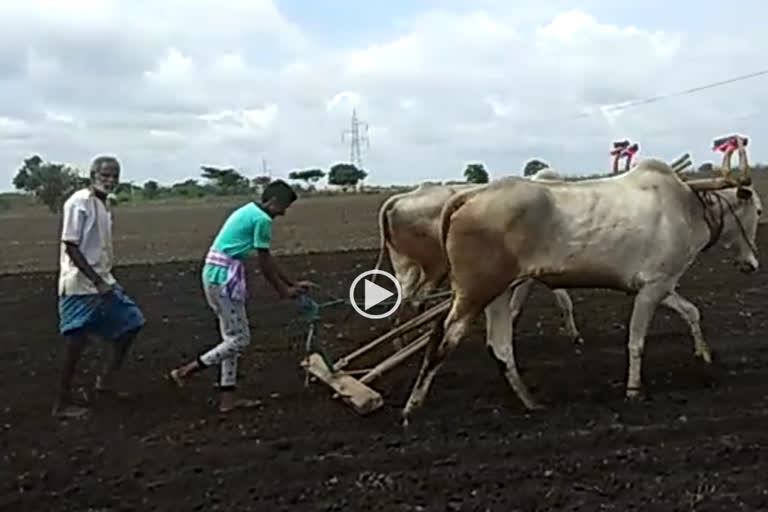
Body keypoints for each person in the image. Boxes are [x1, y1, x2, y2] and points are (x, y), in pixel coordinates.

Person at [169, 179, 316, 413]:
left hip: (215, 274)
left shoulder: (249, 210)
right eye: (284, 207)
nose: (284, 213)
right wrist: (284, 290)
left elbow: (268, 260)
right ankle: (186, 371)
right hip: (223, 278)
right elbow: (265, 262)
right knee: (240, 340)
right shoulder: (262, 220)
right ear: (273, 201)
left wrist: (292, 284)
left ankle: (227, 400)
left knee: (232, 338)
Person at [54, 155, 146, 418]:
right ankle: (61, 403)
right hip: (80, 284)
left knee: (131, 322)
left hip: (103, 281)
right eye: (105, 175)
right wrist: (96, 280)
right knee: (76, 341)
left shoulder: (103, 205)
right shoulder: (79, 202)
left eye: (114, 176)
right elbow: (70, 245)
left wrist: (102, 280)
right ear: (93, 175)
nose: (110, 180)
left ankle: (105, 383)